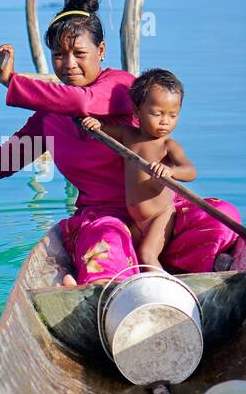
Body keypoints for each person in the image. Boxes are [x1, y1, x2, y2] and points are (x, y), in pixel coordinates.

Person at [0, 0, 241, 285]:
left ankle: (184, 271)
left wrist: (11, 82)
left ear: (101, 50)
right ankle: (117, 281)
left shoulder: (122, 87)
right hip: (105, 220)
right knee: (105, 240)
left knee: (222, 214)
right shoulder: (49, 117)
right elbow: (0, 162)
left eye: (79, 53)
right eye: (60, 55)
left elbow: (82, 102)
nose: (69, 64)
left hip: (158, 216)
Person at [79, 68, 192, 275]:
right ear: (137, 111)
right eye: (157, 113)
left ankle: (171, 295)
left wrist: (170, 171)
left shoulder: (168, 145)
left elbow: (190, 171)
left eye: (173, 115)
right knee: (121, 257)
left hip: (160, 215)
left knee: (147, 255)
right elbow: (101, 131)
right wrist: (95, 124)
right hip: (135, 220)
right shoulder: (128, 134)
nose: (165, 121)